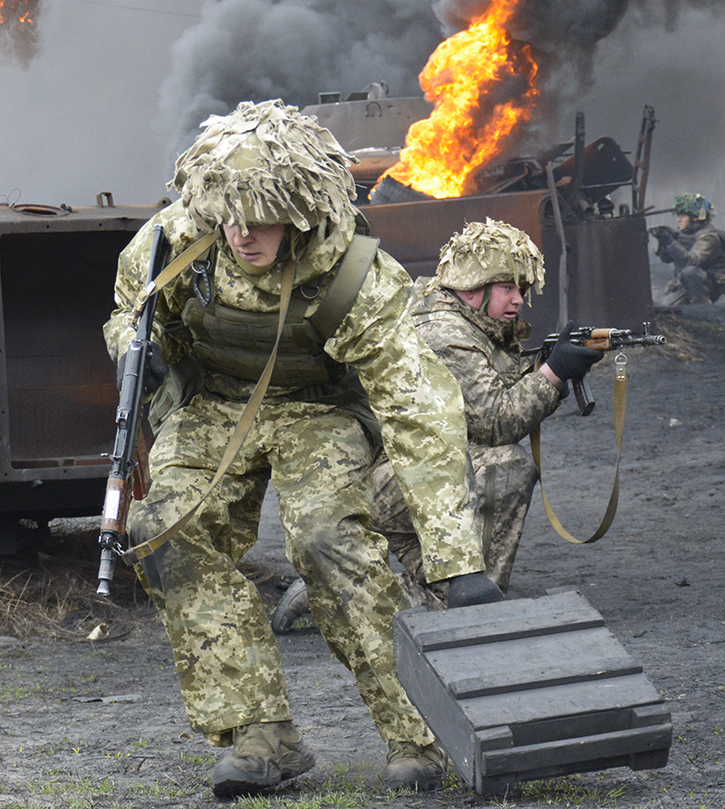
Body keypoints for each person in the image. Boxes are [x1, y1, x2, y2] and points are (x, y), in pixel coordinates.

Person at [104, 99, 499, 800]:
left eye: (260, 219)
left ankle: (417, 732)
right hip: (214, 405)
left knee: (326, 543)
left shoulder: (355, 273)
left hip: (317, 408)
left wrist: (455, 557)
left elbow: (418, 405)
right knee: (167, 534)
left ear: (300, 209)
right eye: (229, 217)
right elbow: (127, 321)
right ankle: (260, 737)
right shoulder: (170, 243)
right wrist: (141, 353)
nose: (240, 233)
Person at [271, 219, 603, 624]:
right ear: (471, 286)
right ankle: (433, 602)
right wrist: (552, 375)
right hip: (376, 482)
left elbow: (479, 403)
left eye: (522, 289)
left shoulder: (463, 316)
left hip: (402, 471)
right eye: (507, 288)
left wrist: (543, 368)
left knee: (440, 578)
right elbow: (495, 422)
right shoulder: (445, 332)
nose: (518, 300)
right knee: (506, 467)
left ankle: (343, 589)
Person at [652, 194, 725, 305]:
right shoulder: (689, 235)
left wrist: (670, 242)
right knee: (663, 305)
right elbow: (666, 259)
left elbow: (691, 261)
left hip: (707, 286)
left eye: (683, 216)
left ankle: (704, 308)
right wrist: (665, 240)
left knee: (690, 272)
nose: (678, 220)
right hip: (686, 285)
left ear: (695, 217)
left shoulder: (710, 238)